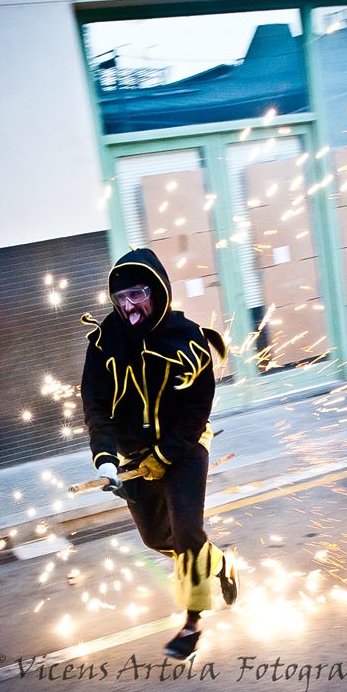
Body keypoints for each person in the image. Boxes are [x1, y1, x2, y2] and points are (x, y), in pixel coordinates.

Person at [80, 246, 238, 659]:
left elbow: (196, 410)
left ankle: (192, 625)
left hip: (184, 446)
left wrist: (164, 456)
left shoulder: (188, 338)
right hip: (133, 453)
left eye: (136, 294)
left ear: (157, 290)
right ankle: (218, 562)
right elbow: (96, 405)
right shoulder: (103, 342)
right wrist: (106, 458)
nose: (128, 305)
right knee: (154, 537)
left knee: (186, 532)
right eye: (120, 298)